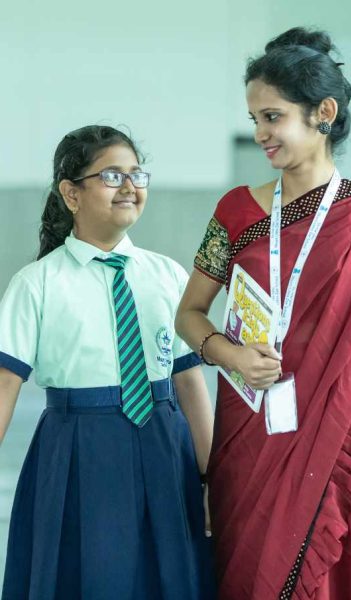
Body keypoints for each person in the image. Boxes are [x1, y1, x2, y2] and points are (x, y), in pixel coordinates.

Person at [175, 28, 351, 600]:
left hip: (347, 439)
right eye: (254, 119)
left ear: (323, 112)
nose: (260, 134)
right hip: (251, 441)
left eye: (272, 117)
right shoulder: (237, 212)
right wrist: (232, 356)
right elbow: (191, 314)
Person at [0, 125, 216, 599]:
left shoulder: (168, 275)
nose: (131, 186)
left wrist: (210, 475)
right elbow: (4, 387)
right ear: (71, 194)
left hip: (165, 447)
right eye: (113, 175)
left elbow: (189, 385)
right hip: (78, 449)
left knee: (171, 578)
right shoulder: (36, 283)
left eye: (138, 174)